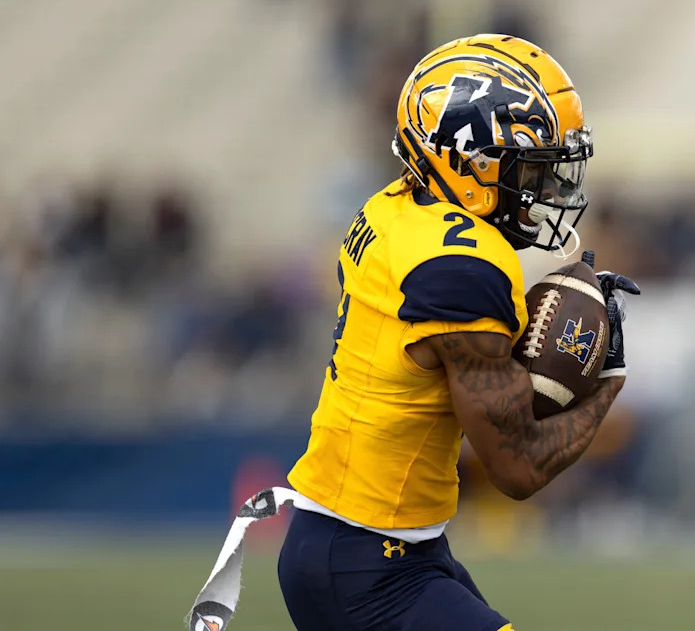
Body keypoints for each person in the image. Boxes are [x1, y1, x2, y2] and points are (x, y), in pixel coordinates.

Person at [189, 34, 639, 631]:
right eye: (533, 168)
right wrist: (607, 376)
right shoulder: (462, 271)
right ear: (469, 159)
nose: (550, 191)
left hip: (378, 543)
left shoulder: (393, 207)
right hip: (365, 566)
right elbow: (518, 469)